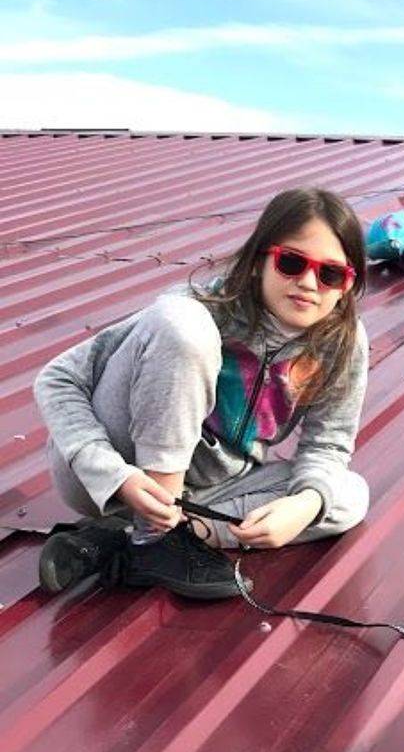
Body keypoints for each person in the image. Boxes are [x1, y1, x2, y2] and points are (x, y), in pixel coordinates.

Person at [35, 187, 371, 599]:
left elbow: (328, 446)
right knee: (182, 327)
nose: (307, 282)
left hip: (207, 492)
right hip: (114, 472)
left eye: (330, 274)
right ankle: (154, 539)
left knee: (345, 494)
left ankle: (126, 541)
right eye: (291, 262)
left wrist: (303, 506)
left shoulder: (342, 343)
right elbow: (57, 378)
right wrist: (111, 474)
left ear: (346, 285)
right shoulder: (202, 307)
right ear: (259, 260)